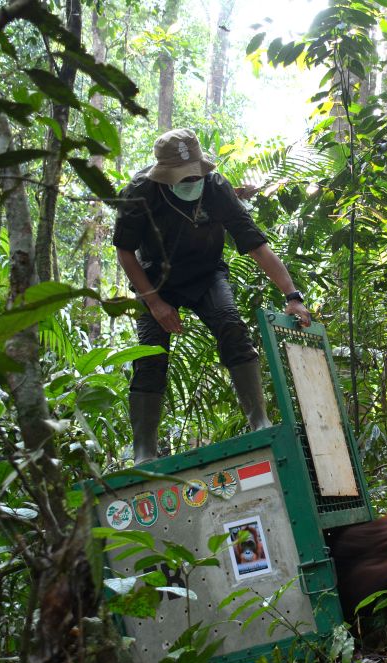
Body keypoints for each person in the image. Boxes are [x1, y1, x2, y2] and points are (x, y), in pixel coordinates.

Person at [112, 128, 310, 462]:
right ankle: (144, 449)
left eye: (195, 174)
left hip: (206, 274)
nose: (191, 180)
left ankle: (258, 421)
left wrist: (293, 295)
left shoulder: (216, 188)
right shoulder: (140, 193)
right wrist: (155, 303)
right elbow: (124, 252)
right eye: (181, 177)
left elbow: (256, 246)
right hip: (154, 279)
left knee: (231, 326)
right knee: (150, 355)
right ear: (163, 174)